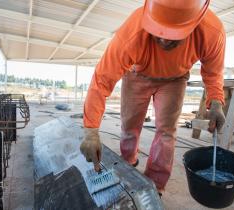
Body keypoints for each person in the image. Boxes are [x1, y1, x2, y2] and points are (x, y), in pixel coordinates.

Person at [80, 0, 226, 195]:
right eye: (159, 32)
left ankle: (155, 184)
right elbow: (101, 81)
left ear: (194, 24)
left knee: (166, 132)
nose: (165, 40)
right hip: (137, 76)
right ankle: (129, 161)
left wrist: (216, 102)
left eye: (175, 35)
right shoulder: (132, 31)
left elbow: (213, 72)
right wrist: (91, 130)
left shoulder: (211, 32)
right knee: (130, 125)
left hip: (175, 80)